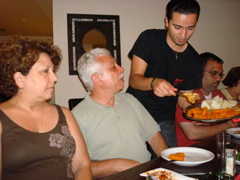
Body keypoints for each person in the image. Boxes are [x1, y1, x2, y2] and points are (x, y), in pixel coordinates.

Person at [0, 36, 92, 180]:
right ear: (19, 79)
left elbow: (82, 166)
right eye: (45, 71)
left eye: (53, 70)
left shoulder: (65, 114)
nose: (55, 77)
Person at [72, 48, 168, 179]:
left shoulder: (130, 99)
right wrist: (117, 165)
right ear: (97, 79)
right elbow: (78, 168)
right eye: (113, 67)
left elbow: (154, 137)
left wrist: (168, 165)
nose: (121, 69)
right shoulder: (76, 117)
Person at [126, 0, 202, 147]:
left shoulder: (194, 60)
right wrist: (154, 82)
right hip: (134, 114)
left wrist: (192, 111)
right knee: (135, 164)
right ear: (167, 21)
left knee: (170, 163)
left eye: (190, 28)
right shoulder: (149, 39)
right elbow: (134, 79)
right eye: (177, 27)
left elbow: (184, 97)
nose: (183, 34)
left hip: (164, 119)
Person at [175, 52, 240, 147]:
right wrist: (228, 125)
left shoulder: (219, 95)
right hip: (191, 151)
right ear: (199, 72)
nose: (218, 78)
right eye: (214, 73)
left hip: (214, 147)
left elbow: (232, 122)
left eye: (220, 74)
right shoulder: (186, 97)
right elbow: (193, 134)